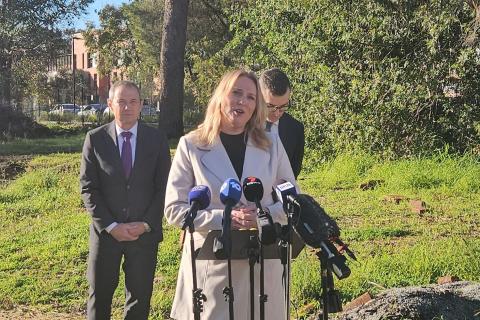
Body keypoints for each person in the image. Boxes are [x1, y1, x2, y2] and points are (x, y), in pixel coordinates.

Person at [164, 69, 298, 319]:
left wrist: (264, 215)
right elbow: (175, 210)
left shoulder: (272, 144)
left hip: (262, 266)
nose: (242, 101)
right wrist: (224, 218)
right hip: (214, 268)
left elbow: (291, 198)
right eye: (236, 93)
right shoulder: (191, 145)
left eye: (250, 97)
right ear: (220, 96)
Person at [80, 80, 171, 320]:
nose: (127, 107)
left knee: (139, 300)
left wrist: (146, 224)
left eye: (133, 102)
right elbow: (89, 188)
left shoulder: (157, 139)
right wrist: (111, 226)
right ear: (110, 104)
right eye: (121, 102)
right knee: (99, 297)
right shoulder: (95, 139)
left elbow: (164, 188)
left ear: (142, 105)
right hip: (106, 235)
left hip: (144, 235)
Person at [259, 68, 305, 178]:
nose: (277, 113)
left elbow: (293, 173)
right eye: (270, 106)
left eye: (283, 106)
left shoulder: (295, 129)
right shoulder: (242, 125)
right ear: (258, 96)